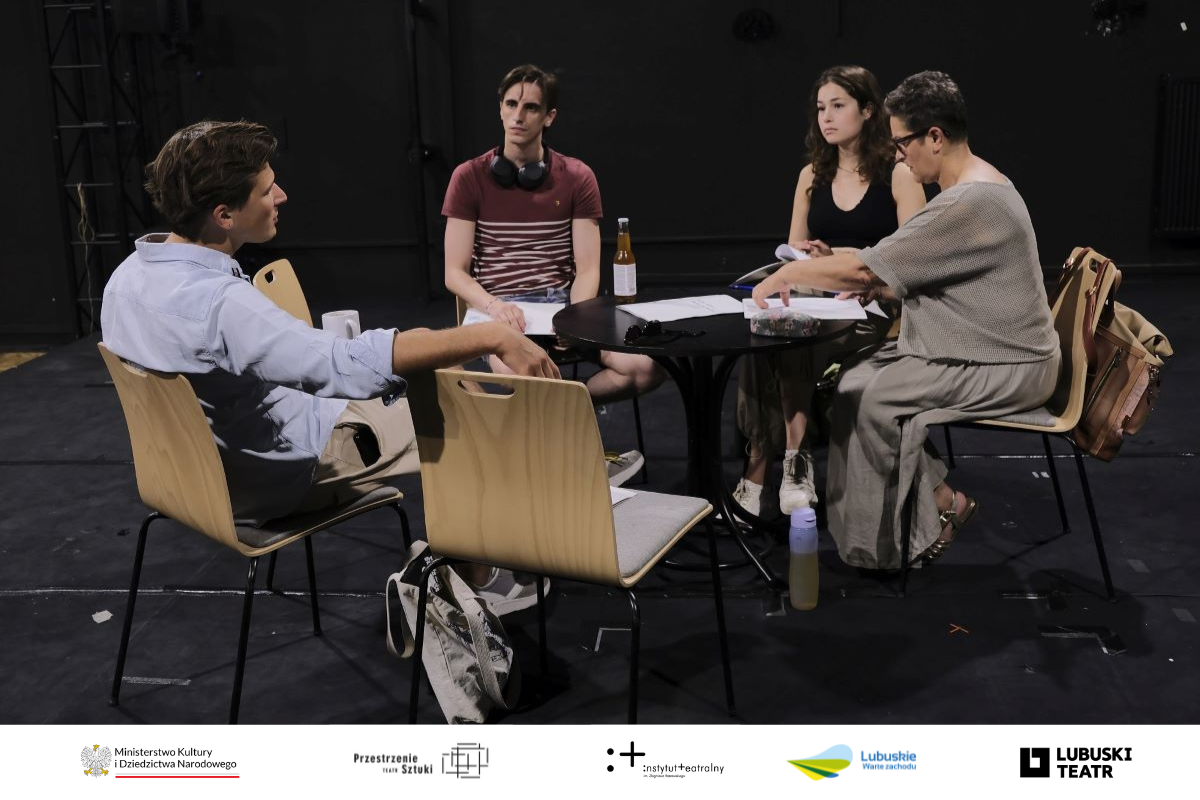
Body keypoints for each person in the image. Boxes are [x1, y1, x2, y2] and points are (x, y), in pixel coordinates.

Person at [102, 120, 559, 531]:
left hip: (188, 477)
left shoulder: (125, 279)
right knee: (458, 415)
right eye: (267, 191)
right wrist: (493, 334)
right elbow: (344, 369)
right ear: (224, 215)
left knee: (422, 346)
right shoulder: (221, 305)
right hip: (277, 477)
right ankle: (479, 572)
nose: (281, 196)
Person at [752, 71, 1060, 570]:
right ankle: (918, 511)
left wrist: (789, 272)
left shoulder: (972, 199)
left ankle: (894, 542)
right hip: (974, 344)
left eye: (902, 144)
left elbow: (866, 268)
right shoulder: (970, 187)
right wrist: (874, 284)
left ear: (934, 137)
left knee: (870, 396)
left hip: (1008, 362)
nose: (899, 156)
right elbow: (904, 274)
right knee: (853, 379)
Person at [734, 65, 925, 518]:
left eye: (838, 106)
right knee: (766, 334)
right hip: (815, 299)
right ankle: (779, 463)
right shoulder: (812, 175)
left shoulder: (899, 174)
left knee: (795, 336)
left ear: (868, 110)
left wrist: (841, 258)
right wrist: (809, 257)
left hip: (873, 307)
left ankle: (771, 469)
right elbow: (791, 254)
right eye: (821, 108)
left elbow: (914, 260)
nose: (827, 117)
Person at [442, 64, 665, 405]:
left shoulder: (577, 176)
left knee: (647, 368)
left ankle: (563, 410)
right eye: (511, 104)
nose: (518, 115)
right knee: (526, 379)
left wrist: (576, 319)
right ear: (500, 108)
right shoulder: (468, 177)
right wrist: (494, 306)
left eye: (531, 107)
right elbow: (454, 273)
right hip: (498, 310)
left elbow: (587, 269)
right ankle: (564, 415)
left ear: (549, 117)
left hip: (560, 308)